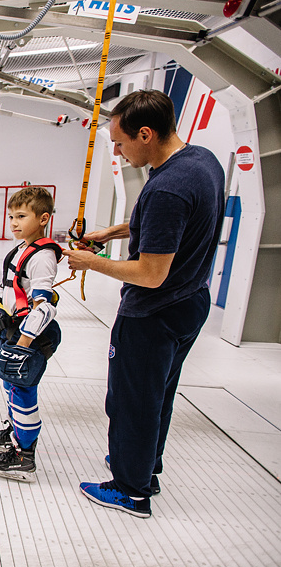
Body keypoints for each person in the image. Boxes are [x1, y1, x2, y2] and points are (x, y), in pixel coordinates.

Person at [66, 89, 224, 518]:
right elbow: (163, 225)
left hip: (154, 313)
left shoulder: (166, 188)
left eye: (120, 143)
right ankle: (144, 467)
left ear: (146, 134)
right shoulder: (200, 162)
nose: (117, 152)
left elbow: (151, 273)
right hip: (191, 301)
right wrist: (111, 233)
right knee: (158, 394)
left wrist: (90, 262)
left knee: (131, 401)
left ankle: (130, 490)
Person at [0, 186, 62, 482]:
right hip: (14, 331)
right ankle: (16, 431)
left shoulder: (42, 256)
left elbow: (44, 306)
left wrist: (23, 344)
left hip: (29, 337)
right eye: (11, 217)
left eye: (21, 216)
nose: (14, 222)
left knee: (22, 393)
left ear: (43, 218)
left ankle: (24, 455)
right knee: (10, 386)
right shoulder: (22, 248)